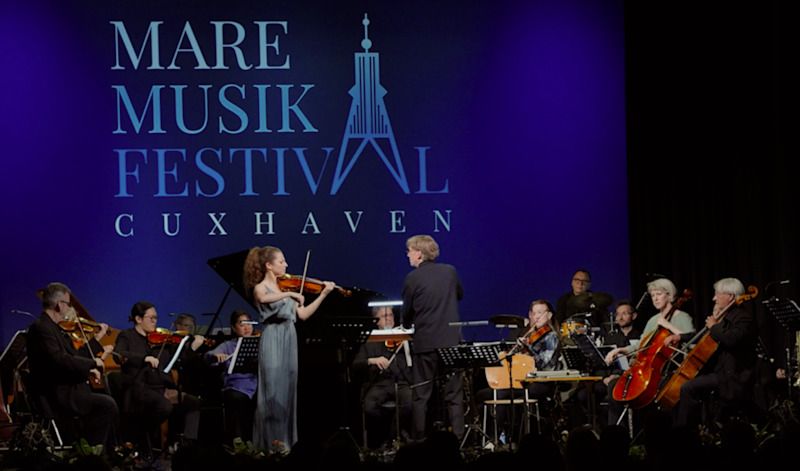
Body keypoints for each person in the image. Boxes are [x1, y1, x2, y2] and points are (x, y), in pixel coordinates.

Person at [243, 246, 335, 452]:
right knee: (272, 392)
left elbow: (302, 315)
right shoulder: (262, 287)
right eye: (281, 261)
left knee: (287, 393)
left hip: (289, 338)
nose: (286, 265)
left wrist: (323, 295)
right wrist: (291, 294)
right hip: (273, 337)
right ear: (268, 265)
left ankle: (285, 444)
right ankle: (267, 446)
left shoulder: (284, 290)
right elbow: (263, 299)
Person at [25, 282, 119, 448]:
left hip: (68, 388)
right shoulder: (41, 327)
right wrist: (92, 363)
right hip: (57, 393)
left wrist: (96, 343)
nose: (70, 309)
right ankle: (88, 453)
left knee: (106, 395)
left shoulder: (56, 329)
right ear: (60, 305)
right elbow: (59, 360)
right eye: (68, 304)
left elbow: (75, 356)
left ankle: (101, 452)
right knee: (106, 405)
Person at [114, 301, 205, 456]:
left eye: (156, 318)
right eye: (152, 318)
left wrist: (193, 347)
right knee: (164, 406)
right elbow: (119, 354)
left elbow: (179, 359)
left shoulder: (161, 339)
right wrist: (144, 358)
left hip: (161, 388)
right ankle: (140, 437)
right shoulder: (127, 336)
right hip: (138, 389)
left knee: (194, 403)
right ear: (138, 319)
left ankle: (188, 446)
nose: (155, 321)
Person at [604, 278, 694, 425]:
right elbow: (641, 344)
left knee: (653, 392)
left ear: (669, 295)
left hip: (670, 369)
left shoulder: (682, 317)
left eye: (659, 294)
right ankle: (618, 433)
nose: (655, 298)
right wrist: (620, 350)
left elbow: (692, 344)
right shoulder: (653, 320)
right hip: (648, 368)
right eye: (653, 295)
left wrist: (668, 326)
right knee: (614, 386)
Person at [401, 234, 464, 440]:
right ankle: (458, 440)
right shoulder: (450, 272)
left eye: (409, 251)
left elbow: (407, 313)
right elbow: (459, 295)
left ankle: (419, 441)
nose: (407, 254)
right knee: (454, 395)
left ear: (419, 254)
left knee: (421, 396)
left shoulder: (412, 278)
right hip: (451, 343)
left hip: (426, 343)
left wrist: (406, 324)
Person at [674, 277, 756, 427]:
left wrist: (714, 326)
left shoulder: (743, 318)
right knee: (688, 385)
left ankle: (684, 432)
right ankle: (701, 430)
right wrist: (680, 337)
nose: (714, 298)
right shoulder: (725, 318)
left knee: (687, 388)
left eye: (717, 294)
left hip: (732, 376)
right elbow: (704, 336)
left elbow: (731, 339)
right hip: (719, 372)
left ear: (730, 296)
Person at [352, 306, 412, 448]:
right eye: (385, 316)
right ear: (377, 321)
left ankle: (391, 439)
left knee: (411, 402)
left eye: (391, 315)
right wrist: (372, 360)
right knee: (369, 407)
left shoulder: (402, 337)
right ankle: (390, 431)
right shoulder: (369, 340)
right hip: (379, 383)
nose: (389, 318)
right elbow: (356, 364)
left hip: (401, 382)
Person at [205, 310, 258, 444]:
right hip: (235, 387)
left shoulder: (260, 343)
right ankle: (237, 442)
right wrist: (215, 356)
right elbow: (209, 356)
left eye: (249, 323)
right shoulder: (228, 345)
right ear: (234, 328)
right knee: (235, 399)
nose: (247, 328)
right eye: (242, 324)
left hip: (257, 386)